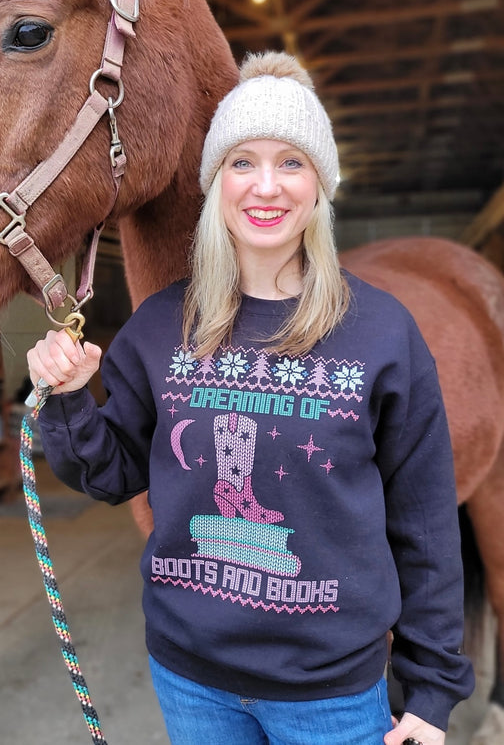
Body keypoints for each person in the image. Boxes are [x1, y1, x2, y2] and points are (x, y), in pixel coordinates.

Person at [26, 51, 474, 745]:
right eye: (243, 162)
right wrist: (71, 396)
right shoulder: (159, 327)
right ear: (216, 183)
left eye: (291, 162)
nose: (266, 186)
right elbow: (111, 474)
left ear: (319, 184)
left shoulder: (382, 332)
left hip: (331, 690)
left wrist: (433, 687)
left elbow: (424, 519)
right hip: (192, 679)